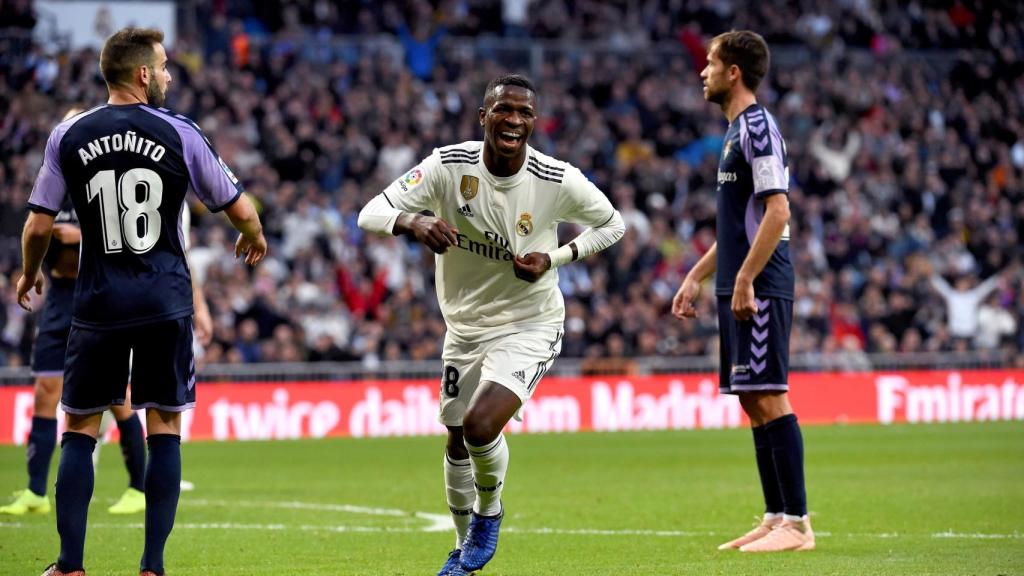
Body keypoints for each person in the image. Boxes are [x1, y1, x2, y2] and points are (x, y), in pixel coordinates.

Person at [17, 27, 266, 576]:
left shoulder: (69, 135)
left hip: (98, 301)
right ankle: (152, 566)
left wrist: (29, 273)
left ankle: (69, 565)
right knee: (164, 427)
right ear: (143, 74)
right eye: (165, 66)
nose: (170, 75)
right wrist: (252, 232)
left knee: (80, 428)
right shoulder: (179, 131)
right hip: (164, 300)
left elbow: (37, 225)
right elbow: (237, 205)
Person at [358, 73, 625, 575]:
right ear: (484, 117)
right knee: (457, 438)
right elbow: (371, 212)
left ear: (533, 123)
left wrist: (556, 256)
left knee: (482, 425)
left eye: (524, 113)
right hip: (463, 328)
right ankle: (462, 551)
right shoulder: (446, 166)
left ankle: (490, 512)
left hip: (530, 322)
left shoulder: (554, 178)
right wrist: (413, 222)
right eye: (504, 110)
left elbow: (613, 223)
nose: (514, 120)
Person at [2, 110, 214, 520]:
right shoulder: (55, 184)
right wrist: (32, 268)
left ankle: (136, 484)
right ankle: (34, 490)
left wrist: (78, 236)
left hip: (100, 296)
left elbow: (133, 234)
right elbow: (36, 230)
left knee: (118, 402)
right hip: (61, 298)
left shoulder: (102, 182)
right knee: (45, 393)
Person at [672, 31, 814, 553]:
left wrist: (749, 278)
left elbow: (778, 212)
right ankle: (776, 515)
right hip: (738, 283)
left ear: (734, 71)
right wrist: (697, 275)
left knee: (770, 395)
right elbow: (738, 226)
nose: (701, 72)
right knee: (752, 400)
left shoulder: (759, 129)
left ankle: (797, 525)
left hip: (762, 283)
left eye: (710, 63)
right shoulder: (735, 134)